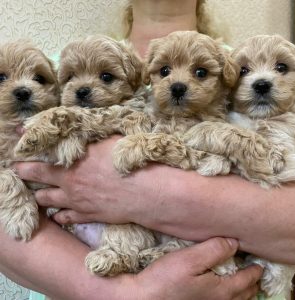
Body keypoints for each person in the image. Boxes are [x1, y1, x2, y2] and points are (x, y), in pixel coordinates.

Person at [0, 0, 268, 299]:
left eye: (201, 72)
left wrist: (145, 194)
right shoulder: (47, 68)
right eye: (163, 70)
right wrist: (126, 293)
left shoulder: (253, 64)